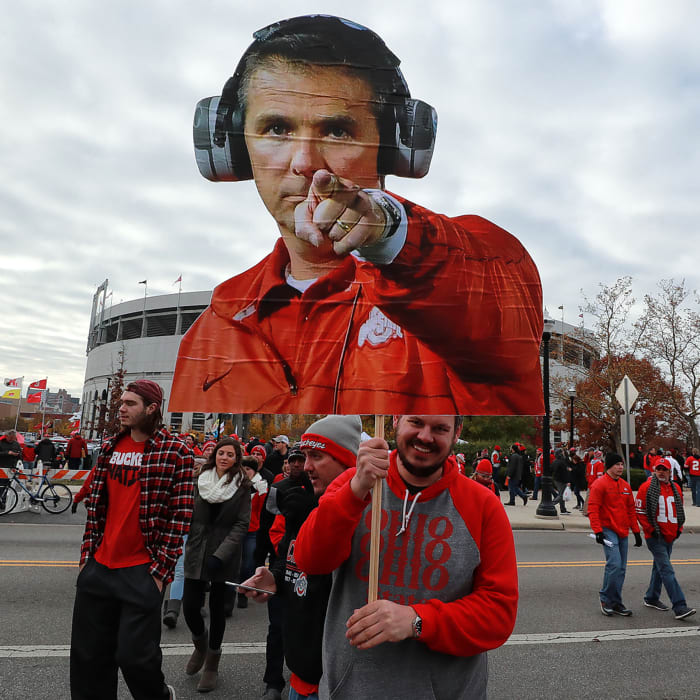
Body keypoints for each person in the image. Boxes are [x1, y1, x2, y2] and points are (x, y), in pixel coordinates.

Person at [169, 14, 543, 417]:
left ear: (394, 148)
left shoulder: (466, 277)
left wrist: (390, 231)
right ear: (235, 150)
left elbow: (504, 314)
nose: (304, 162)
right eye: (277, 128)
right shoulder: (212, 326)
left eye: (337, 131)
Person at [293, 414, 518, 699]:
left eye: (439, 428)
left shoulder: (484, 506)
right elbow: (311, 560)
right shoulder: (354, 482)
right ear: (396, 420)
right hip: (351, 689)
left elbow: (498, 614)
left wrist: (416, 620)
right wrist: (356, 490)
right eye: (416, 422)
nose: (425, 436)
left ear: (456, 431)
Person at [70, 380, 194, 700]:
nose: (121, 408)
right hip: (100, 566)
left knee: (135, 658)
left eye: (130, 404)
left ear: (151, 408)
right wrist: (87, 557)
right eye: (121, 402)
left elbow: (180, 517)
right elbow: (96, 506)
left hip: (142, 568)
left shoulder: (176, 452)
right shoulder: (110, 446)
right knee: (89, 659)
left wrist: (159, 574)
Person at [241, 416, 362, 700]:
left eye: (316, 457)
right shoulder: (305, 502)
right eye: (305, 456)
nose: (306, 466)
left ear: (346, 461)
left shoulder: (370, 515)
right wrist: (276, 577)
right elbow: (293, 559)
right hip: (300, 675)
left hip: (340, 681)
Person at [182, 437, 251, 692]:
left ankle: (212, 662)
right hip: (196, 549)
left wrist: (220, 554)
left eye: (230, 455)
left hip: (224, 554)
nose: (224, 457)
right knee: (190, 608)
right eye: (221, 453)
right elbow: (187, 511)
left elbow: (242, 523)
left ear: (236, 459)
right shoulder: (200, 479)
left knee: (218, 609)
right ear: (215, 455)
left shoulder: (242, 486)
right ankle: (201, 645)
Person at [635, 458, 696, 620]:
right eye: (658, 469)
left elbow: (679, 511)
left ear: (670, 472)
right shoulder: (646, 487)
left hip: (670, 535)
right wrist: (650, 530)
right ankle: (680, 606)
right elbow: (640, 511)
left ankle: (651, 597)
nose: (661, 472)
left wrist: (679, 529)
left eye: (665, 469)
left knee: (659, 568)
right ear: (655, 470)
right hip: (655, 536)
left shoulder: (675, 488)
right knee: (667, 570)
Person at [587, 452, 642, 617]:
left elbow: (631, 510)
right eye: (617, 464)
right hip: (607, 529)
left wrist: (637, 532)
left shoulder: (625, 486)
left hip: (623, 531)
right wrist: (598, 531)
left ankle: (616, 602)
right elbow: (593, 509)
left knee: (622, 569)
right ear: (609, 466)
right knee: (614, 565)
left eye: (621, 464)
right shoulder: (599, 484)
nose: (620, 467)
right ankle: (605, 598)